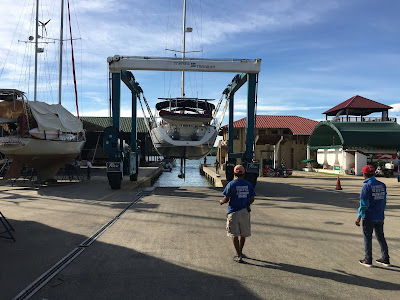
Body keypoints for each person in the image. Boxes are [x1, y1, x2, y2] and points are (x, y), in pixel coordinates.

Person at [220, 165, 256, 263]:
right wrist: (246, 203)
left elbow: (226, 198)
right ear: (244, 174)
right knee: (243, 234)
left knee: (234, 234)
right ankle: (240, 252)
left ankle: (239, 255)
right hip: (245, 212)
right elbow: (252, 199)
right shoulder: (249, 184)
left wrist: (221, 201)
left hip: (233, 212)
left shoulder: (231, 184)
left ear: (234, 174)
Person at [356, 165, 390, 267]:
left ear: (364, 174)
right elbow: (384, 201)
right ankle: (385, 258)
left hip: (369, 217)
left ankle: (368, 259)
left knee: (368, 238)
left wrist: (359, 217)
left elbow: (364, 204)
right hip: (379, 216)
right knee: (381, 237)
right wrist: (381, 212)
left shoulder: (366, 186)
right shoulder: (382, 185)